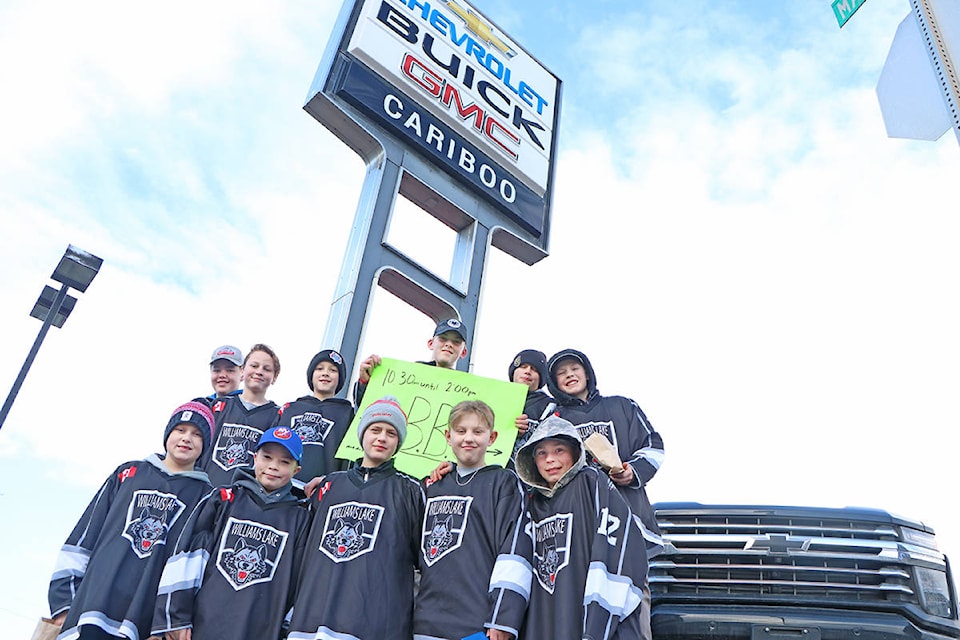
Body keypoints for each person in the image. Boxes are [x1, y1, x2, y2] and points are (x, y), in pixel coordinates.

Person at [46, 401, 214, 640]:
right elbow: (86, 532)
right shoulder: (128, 473)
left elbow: (192, 563)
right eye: (180, 430)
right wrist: (64, 600)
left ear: (205, 445)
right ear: (168, 433)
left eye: (197, 434)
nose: (187, 438)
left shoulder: (206, 496)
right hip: (94, 604)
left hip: (143, 616)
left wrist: (170, 620)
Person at [152, 426, 311, 640]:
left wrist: (286, 629)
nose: (273, 466)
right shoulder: (224, 499)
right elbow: (188, 557)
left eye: (284, 462)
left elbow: (298, 582)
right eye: (267, 457)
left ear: (296, 470)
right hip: (203, 625)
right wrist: (175, 616)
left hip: (259, 629)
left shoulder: (300, 519)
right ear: (255, 458)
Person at [287, 396, 425, 640]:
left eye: (391, 433)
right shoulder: (330, 485)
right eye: (375, 429)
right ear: (362, 434)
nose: (382, 437)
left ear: (399, 442)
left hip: (375, 621)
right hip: (316, 618)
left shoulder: (411, 491)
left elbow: (423, 561)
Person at [514, 415, 648, 640]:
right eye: (541, 453)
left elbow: (621, 550)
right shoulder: (531, 502)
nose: (550, 459)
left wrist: (597, 624)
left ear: (576, 453)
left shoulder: (591, 483)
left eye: (559, 450)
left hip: (588, 614)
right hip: (547, 615)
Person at [413, 400, 532, 640]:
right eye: (461, 431)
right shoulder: (431, 487)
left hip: (476, 626)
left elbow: (515, 551)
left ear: (492, 437)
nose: (469, 438)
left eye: (478, 431)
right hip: (424, 624)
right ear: (448, 436)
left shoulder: (504, 484)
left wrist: (503, 617)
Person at [546, 348, 664, 555]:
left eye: (575, 368)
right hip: (578, 522)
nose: (570, 374)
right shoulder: (551, 420)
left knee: (632, 584)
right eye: (562, 373)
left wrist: (633, 471)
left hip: (629, 514)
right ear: (554, 383)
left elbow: (652, 446)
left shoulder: (622, 406)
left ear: (588, 374)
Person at [277, 349, 356, 491]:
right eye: (319, 369)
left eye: (333, 370)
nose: (325, 373)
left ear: (340, 379)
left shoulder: (347, 413)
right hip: (284, 489)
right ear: (311, 375)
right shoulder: (290, 409)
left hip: (324, 491)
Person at [205, 343, 281, 488]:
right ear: (243, 370)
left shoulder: (277, 415)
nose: (259, 372)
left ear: (274, 377)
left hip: (242, 498)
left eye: (266, 369)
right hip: (207, 490)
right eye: (254, 366)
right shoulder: (219, 406)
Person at [352, 318, 468, 406]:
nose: (449, 344)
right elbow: (372, 407)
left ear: (463, 352)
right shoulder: (407, 375)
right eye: (443, 338)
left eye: (456, 342)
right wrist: (364, 383)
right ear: (431, 343)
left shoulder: (465, 391)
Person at [507, 349, 554, 467]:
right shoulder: (493, 398)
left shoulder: (551, 406)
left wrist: (525, 434)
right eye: (523, 366)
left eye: (535, 370)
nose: (528, 371)